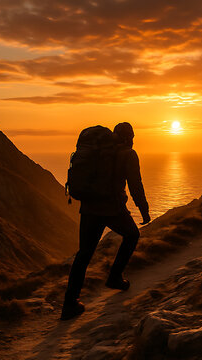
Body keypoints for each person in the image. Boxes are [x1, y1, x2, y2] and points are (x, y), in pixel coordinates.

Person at [61, 122, 150, 320]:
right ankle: (115, 277)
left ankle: (69, 304)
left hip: (89, 208)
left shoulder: (99, 152)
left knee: (83, 255)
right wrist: (144, 210)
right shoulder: (128, 154)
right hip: (112, 209)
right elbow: (136, 185)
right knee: (132, 235)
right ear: (130, 137)